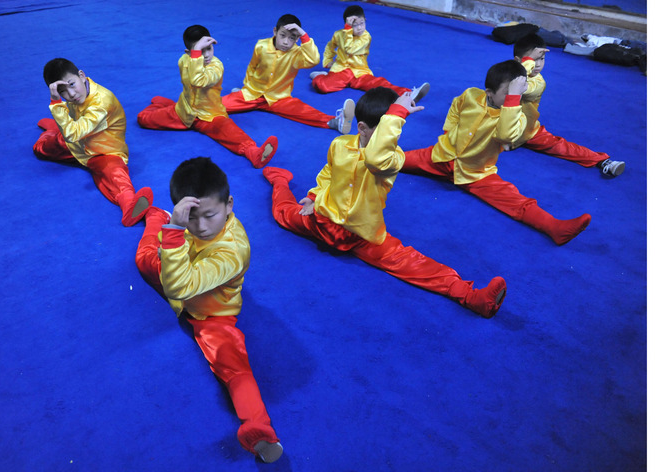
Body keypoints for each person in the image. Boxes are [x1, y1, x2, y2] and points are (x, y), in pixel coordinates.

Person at [262, 87, 507, 318]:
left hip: (362, 234)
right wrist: (314, 196)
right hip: (322, 220)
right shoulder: (338, 145)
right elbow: (329, 172)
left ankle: (472, 296)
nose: (391, 139)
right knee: (282, 212)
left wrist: (397, 115)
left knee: (414, 264)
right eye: (385, 132)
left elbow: (375, 157)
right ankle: (280, 181)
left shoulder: (392, 158)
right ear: (363, 129)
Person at [135, 157, 283, 463]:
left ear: (229, 205)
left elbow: (180, 287)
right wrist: (173, 229)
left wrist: (175, 230)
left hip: (212, 313)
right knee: (143, 258)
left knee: (234, 364)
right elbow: (176, 273)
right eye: (192, 218)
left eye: (210, 216)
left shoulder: (232, 251)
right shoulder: (190, 225)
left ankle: (259, 428)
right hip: (176, 265)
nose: (201, 227)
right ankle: (154, 219)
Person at [401, 60, 591, 245]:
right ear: (489, 93)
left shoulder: (518, 117)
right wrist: (448, 131)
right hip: (440, 156)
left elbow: (505, 135)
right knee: (394, 160)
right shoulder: (471, 95)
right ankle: (369, 152)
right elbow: (456, 106)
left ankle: (555, 227)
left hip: (476, 173)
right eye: (508, 94)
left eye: (517, 93)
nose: (514, 97)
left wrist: (513, 99)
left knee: (514, 199)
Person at [137, 25, 277, 169]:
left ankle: (254, 153)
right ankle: (163, 105)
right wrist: (195, 54)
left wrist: (196, 53)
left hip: (210, 116)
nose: (206, 55)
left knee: (229, 129)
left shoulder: (217, 66)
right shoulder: (183, 60)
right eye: (200, 51)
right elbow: (190, 79)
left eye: (208, 48)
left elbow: (198, 81)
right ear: (188, 52)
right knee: (143, 119)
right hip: (183, 112)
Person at [33, 58, 152, 226]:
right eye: (62, 91)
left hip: (105, 151)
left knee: (115, 174)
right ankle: (53, 130)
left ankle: (129, 205)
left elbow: (73, 133)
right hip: (76, 142)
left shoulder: (102, 102)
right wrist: (58, 107)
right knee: (40, 149)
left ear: (82, 75)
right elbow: (73, 134)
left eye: (72, 84)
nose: (71, 94)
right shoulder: (76, 95)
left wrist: (56, 103)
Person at [510, 33, 625, 176]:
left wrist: (526, 63)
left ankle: (602, 160)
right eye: (533, 60)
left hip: (527, 131)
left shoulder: (539, 82)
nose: (538, 64)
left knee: (560, 146)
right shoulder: (507, 73)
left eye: (542, 59)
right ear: (519, 61)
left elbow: (518, 86)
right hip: (499, 128)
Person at [221, 13, 355, 134]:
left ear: (297, 39)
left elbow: (314, 60)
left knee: (302, 111)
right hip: (253, 93)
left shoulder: (296, 53)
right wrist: (246, 88)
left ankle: (335, 122)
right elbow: (252, 67)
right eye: (282, 35)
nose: (286, 42)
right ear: (275, 31)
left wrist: (304, 35)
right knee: (217, 105)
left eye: (292, 38)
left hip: (279, 98)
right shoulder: (261, 46)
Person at [309, 4, 430, 103]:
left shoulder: (366, 37)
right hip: (341, 70)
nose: (360, 28)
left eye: (362, 23)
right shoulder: (339, 34)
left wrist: (348, 30)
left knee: (380, 85)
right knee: (322, 87)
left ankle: (409, 93)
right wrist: (327, 61)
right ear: (347, 25)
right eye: (355, 25)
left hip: (360, 72)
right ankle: (320, 75)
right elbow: (330, 46)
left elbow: (349, 49)